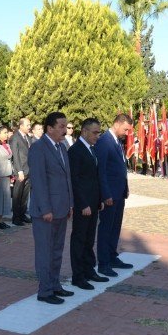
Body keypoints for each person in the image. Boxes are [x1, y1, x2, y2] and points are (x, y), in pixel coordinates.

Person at [28, 111, 74, 304]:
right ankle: (45, 291)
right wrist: (46, 209)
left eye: (66, 126)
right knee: (45, 251)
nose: (65, 130)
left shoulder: (62, 147)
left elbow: (66, 178)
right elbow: (38, 181)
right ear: (50, 128)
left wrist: (70, 203)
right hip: (45, 212)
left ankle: (55, 285)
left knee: (57, 250)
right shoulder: (39, 148)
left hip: (62, 208)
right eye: (61, 126)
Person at [68, 118, 109, 291]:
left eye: (99, 132)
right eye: (94, 132)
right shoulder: (75, 151)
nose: (97, 136)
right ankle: (78, 276)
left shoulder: (92, 149)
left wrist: (99, 199)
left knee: (89, 239)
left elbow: (95, 177)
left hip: (93, 202)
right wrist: (83, 203)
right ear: (84, 131)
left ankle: (89, 270)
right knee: (79, 239)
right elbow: (75, 181)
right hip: (83, 204)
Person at [95, 113, 133, 277]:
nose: (127, 133)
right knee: (106, 228)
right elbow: (101, 171)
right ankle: (103, 263)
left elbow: (119, 167)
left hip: (119, 192)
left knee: (115, 227)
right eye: (125, 129)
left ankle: (112, 256)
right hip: (110, 194)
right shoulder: (104, 141)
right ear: (118, 124)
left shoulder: (116, 141)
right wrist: (105, 194)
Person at [10, 118, 32, 226]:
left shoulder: (28, 137)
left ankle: (22, 215)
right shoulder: (15, 137)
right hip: (21, 171)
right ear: (21, 126)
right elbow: (15, 155)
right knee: (17, 195)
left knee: (24, 195)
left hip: (29, 170)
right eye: (27, 125)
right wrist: (19, 171)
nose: (29, 127)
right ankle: (16, 217)